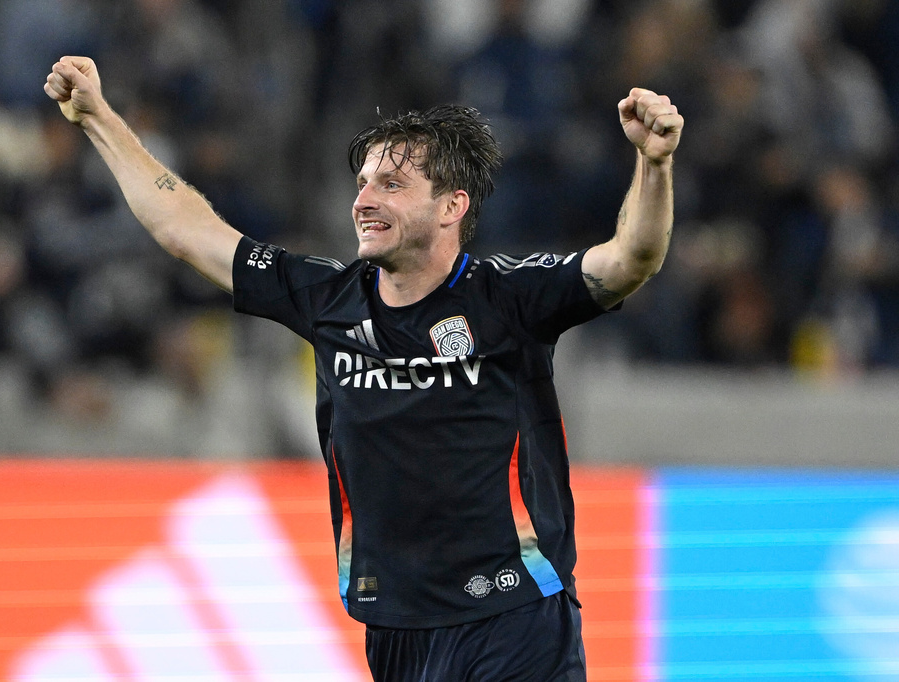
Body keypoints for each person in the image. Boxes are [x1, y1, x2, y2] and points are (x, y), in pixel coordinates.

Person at [44, 55, 682, 681]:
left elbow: (632, 259)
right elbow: (187, 228)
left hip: (513, 618)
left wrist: (653, 166)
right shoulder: (327, 299)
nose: (364, 201)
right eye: (363, 184)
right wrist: (98, 116)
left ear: (451, 207)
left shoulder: (508, 298)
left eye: (391, 185)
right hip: (394, 627)